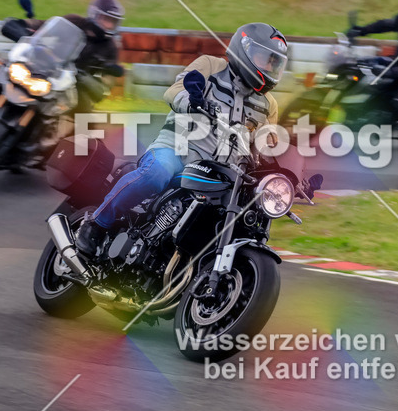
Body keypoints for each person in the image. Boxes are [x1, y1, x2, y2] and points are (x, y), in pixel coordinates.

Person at [75, 22, 289, 258]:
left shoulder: (269, 105)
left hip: (220, 174)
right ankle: (96, 223)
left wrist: (289, 175)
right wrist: (191, 100)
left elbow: (265, 147)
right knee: (157, 173)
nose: (269, 67)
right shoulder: (211, 66)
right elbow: (174, 90)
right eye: (264, 59)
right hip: (177, 150)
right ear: (244, 49)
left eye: (274, 63)